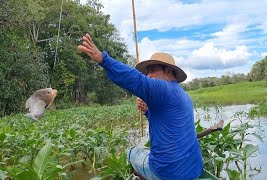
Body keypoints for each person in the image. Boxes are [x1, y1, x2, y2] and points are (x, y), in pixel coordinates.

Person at [78, 34, 221, 179]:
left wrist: (104, 60)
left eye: (153, 70)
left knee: (131, 151)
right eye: (147, 72)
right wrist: (148, 111)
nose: (148, 76)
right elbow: (165, 120)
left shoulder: (163, 88)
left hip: (167, 174)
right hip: (194, 169)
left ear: (168, 71)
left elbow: (136, 79)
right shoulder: (183, 95)